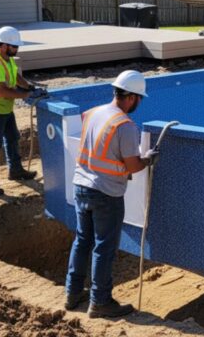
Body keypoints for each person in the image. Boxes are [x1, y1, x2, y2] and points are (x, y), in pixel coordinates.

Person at [64, 70, 152, 318]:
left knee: (83, 240)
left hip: (81, 186)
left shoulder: (93, 113)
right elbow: (133, 166)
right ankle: (100, 302)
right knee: (104, 247)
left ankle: (72, 293)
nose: (138, 103)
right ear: (132, 97)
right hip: (106, 193)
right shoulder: (125, 126)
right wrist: (147, 159)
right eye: (139, 98)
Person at [0, 26, 39, 196]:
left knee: (12, 137)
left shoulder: (8, 60)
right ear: (3, 45)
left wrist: (29, 86)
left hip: (4, 108)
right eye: (14, 46)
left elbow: (16, 77)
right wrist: (25, 94)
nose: (17, 49)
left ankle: (15, 170)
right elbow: (3, 91)